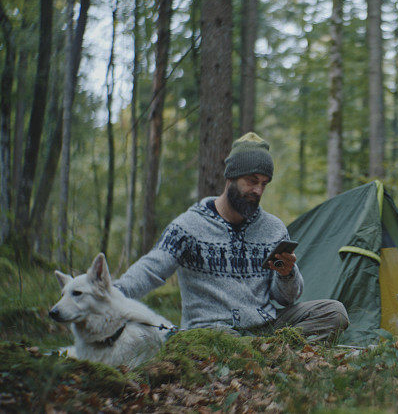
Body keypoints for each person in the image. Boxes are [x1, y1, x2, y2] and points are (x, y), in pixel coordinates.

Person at [115, 132, 349, 341]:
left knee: (334, 313)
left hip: (267, 326)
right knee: (222, 338)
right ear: (231, 178)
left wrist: (286, 274)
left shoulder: (273, 229)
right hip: (213, 330)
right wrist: (111, 293)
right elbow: (151, 268)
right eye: (252, 181)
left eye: (264, 184)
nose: (258, 190)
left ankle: (267, 351)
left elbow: (286, 300)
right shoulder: (189, 226)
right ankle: (267, 353)